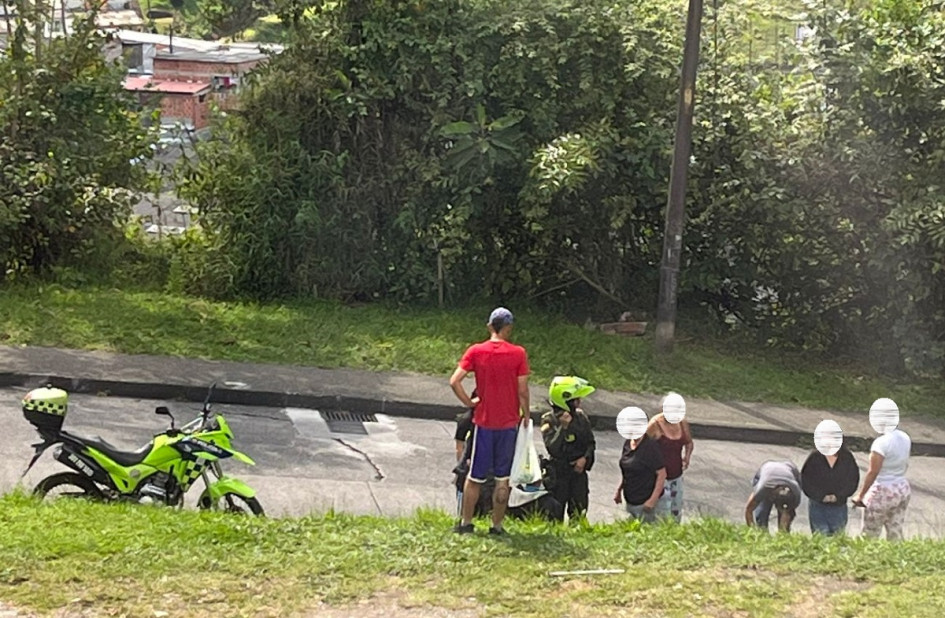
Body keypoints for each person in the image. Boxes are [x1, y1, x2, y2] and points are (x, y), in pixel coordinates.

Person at [449, 307, 530, 535]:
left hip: (484, 422)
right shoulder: (518, 353)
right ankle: (497, 525)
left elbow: (454, 381)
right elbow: (522, 389)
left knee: (474, 477)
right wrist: (526, 414)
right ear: (508, 328)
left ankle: (466, 523)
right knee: (503, 479)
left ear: (489, 326)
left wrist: (470, 401)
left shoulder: (476, 351)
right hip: (508, 424)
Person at [540, 376, 597, 522]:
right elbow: (553, 448)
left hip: (578, 474)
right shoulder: (549, 420)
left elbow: (590, 443)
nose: (579, 403)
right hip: (559, 473)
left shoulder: (581, 417)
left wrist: (584, 459)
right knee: (554, 515)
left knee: (579, 512)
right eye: (576, 400)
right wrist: (563, 428)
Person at [854, 398, 912, 541]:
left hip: (883, 491)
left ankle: (866, 559)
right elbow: (905, 463)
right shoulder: (905, 437)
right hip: (901, 487)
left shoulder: (880, 444)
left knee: (870, 532)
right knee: (895, 530)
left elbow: (873, 472)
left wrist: (861, 496)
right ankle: (898, 558)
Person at [646, 392, 693, 523]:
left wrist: (687, 457)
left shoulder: (682, 423)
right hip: (659, 476)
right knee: (662, 512)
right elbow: (642, 446)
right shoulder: (655, 424)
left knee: (676, 510)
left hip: (676, 475)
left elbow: (688, 442)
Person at [801, 435, 859, 536]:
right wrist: (820, 496)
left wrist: (838, 496)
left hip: (839, 506)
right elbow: (806, 480)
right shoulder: (815, 457)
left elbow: (853, 480)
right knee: (821, 536)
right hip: (818, 505)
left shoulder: (847, 457)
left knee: (836, 539)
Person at [614, 414, 666, 523]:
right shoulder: (628, 443)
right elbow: (627, 469)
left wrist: (652, 500)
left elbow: (662, 474)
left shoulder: (651, 447)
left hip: (645, 503)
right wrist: (619, 490)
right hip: (630, 500)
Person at [745, 460, 802, 533]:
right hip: (767, 468)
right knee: (761, 513)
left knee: (785, 520)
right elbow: (748, 509)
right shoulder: (763, 488)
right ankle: (762, 534)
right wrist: (752, 531)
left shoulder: (796, 494)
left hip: (790, 468)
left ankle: (782, 537)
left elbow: (788, 514)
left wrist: (783, 531)